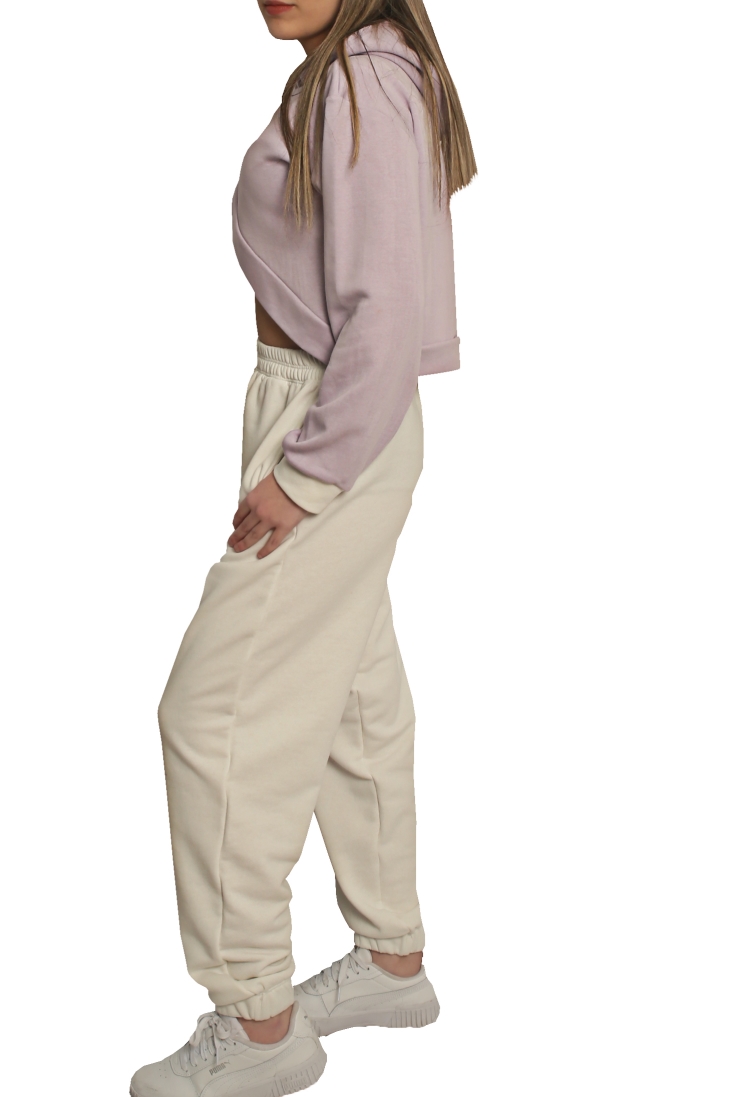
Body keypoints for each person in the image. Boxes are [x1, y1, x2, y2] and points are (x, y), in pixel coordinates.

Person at [130, 1, 476, 1094]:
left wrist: (305, 471)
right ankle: (390, 957)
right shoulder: (361, 67)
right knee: (352, 696)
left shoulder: (363, 76)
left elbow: (385, 311)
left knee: (212, 715)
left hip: (333, 419)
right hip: (331, 413)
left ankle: (258, 1023)